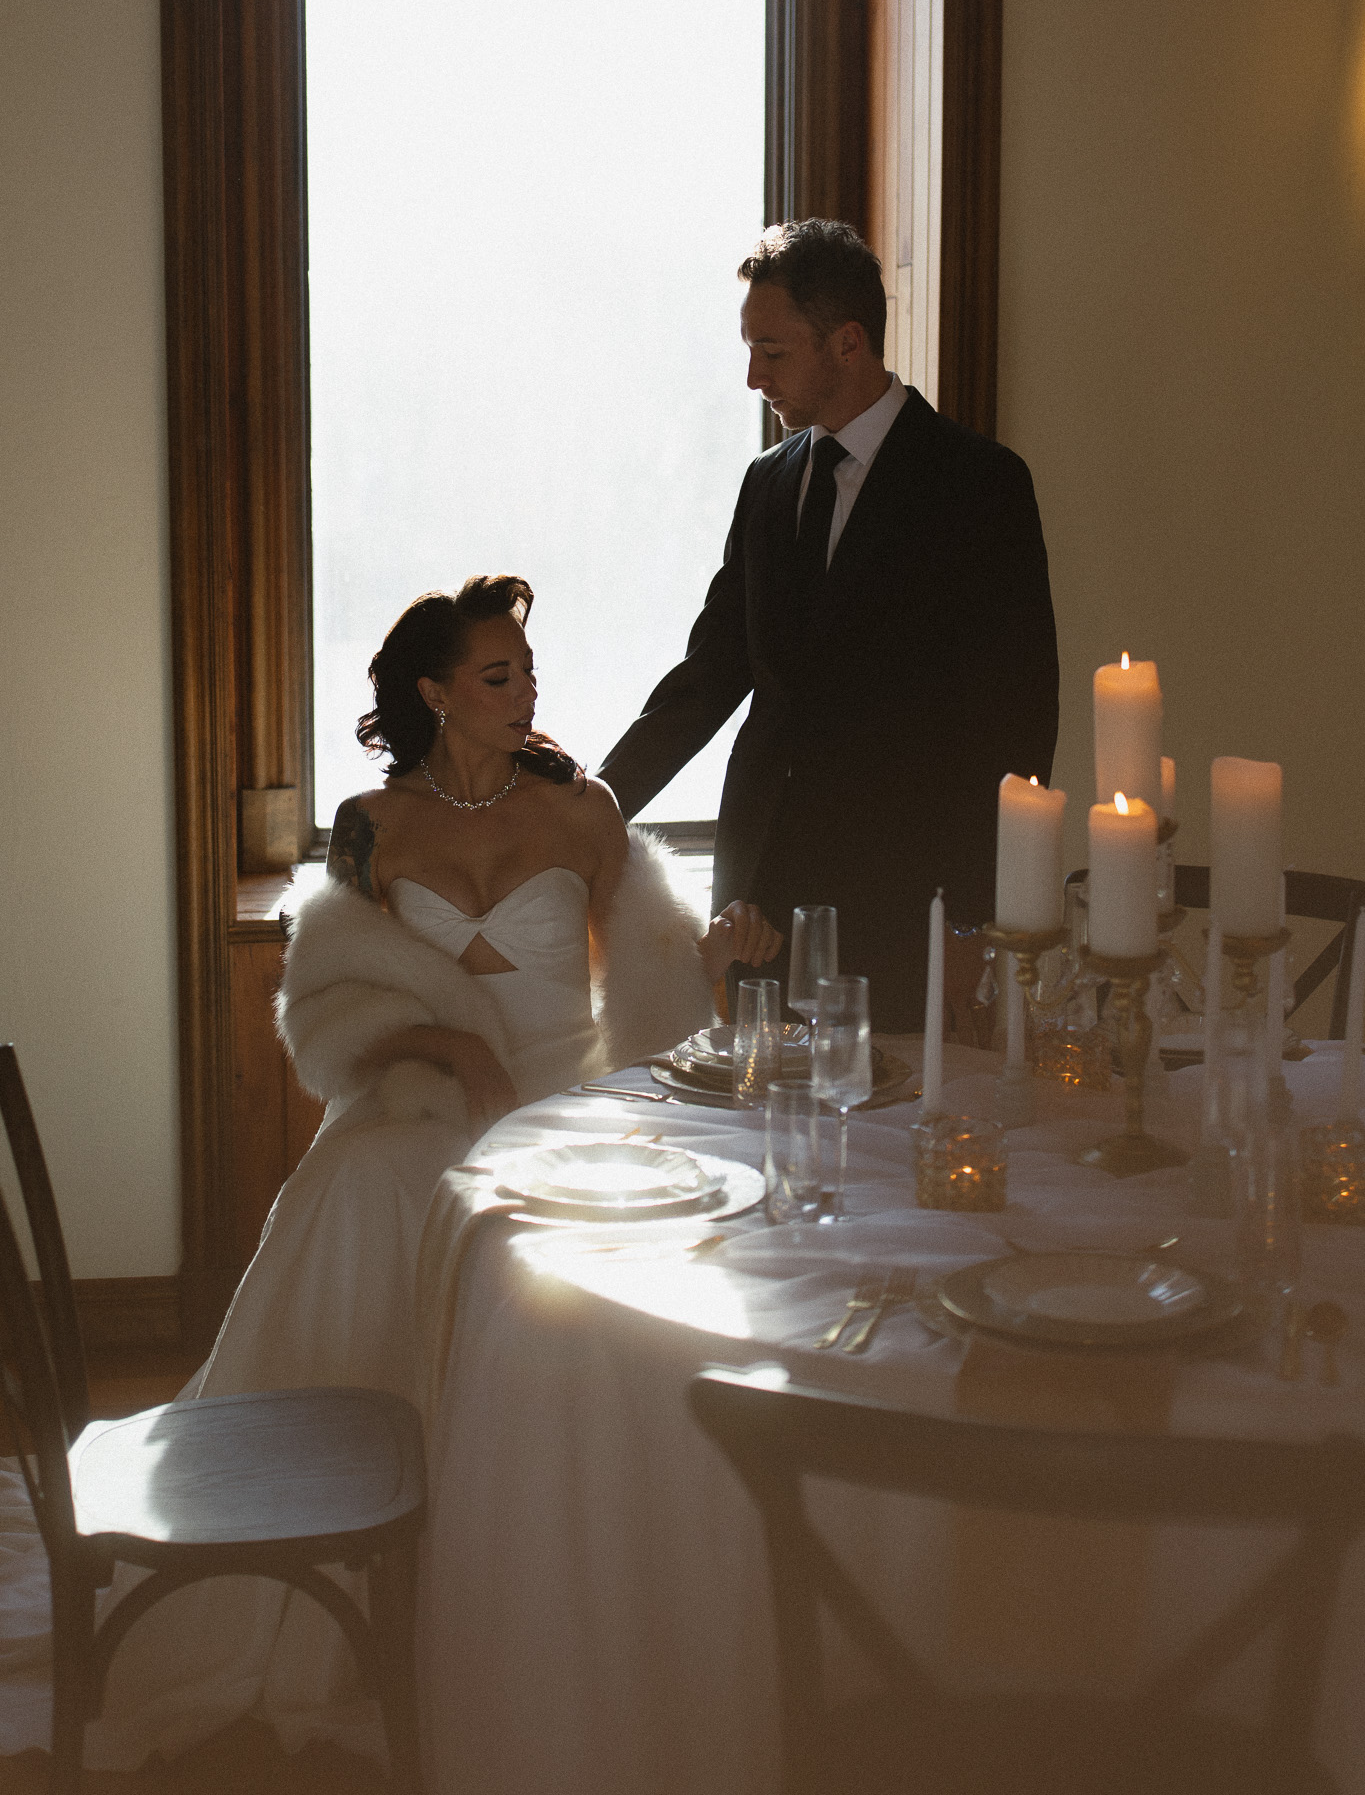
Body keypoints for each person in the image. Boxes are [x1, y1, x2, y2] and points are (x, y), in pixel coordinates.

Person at [60, 576, 781, 1775]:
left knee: (557, 1237)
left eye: (529, 672)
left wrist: (715, 952)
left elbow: (653, 1001)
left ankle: (515, 1591)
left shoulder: (585, 809)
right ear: (438, 693)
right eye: (499, 676)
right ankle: (324, 1545)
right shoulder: (369, 822)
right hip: (416, 1104)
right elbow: (325, 1007)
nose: (526, 693)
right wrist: (439, 1038)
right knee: (367, 1188)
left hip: (560, 1109)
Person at [600, 219, 1059, 1031]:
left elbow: (1016, 722)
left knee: (884, 1134)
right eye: (750, 348)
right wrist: (599, 800)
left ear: (847, 343)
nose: (751, 377)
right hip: (760, 890)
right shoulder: (767, 484)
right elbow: (712, 670)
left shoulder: (978, 485)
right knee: (757, 1134)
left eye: (772, 353)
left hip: (903, 893)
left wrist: (970, 921)